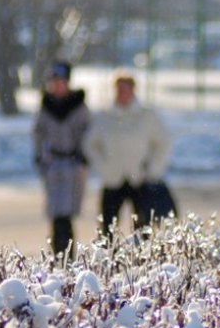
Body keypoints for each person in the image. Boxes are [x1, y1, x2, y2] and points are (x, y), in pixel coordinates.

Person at [83, 69, 173, 238]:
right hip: (112, 179)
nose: (123, 93)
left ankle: (141, 261)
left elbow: (164, 142)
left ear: (133, 90)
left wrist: (152, 169)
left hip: (139, 178)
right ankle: (111, 260)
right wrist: (102, 167)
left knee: (143, 227)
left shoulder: (147, 116)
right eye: (119, 89)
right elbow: (89, 144)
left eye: (126, 89)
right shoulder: (104, 117)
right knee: (108, 229)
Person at [32, 61, 91, 257]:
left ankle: (67, 256)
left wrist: (84, 156)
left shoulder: (78, 107)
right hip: (54, 164)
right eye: (54, 81)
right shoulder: (46, 107)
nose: (57, 86)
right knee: (55, 213)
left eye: (61, 81)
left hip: (73, 165)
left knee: (66, 215)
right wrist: (40, 156)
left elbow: (89, 134)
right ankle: (57, 254)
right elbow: (38, 134)